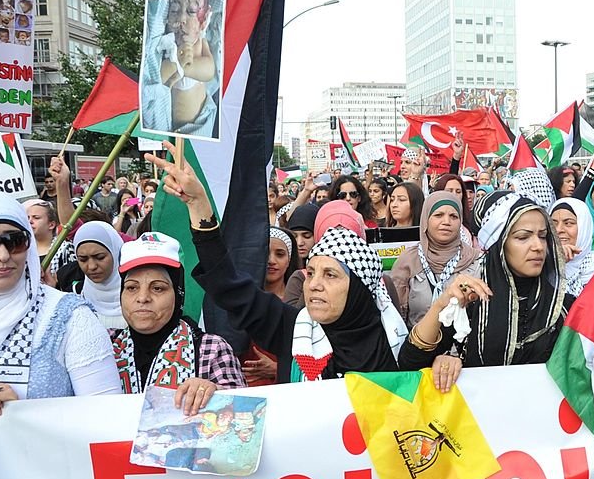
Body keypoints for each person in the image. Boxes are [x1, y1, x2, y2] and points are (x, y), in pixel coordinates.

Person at [146, 143, 403, 382]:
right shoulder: (292, 328)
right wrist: (198, 205)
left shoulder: (399, 345)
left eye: (330, 275)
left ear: (359, 287)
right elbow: (229, 287)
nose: (313, 285)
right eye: (311, 272)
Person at [399, 193, 572, 380]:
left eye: (543, 236)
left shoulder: (563, 306)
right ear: (499, 244)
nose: (538, 246)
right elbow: (409, 363)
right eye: (523, 237)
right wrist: (446, 357)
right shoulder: (473, 300)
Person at [0, 192, 121, 408]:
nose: (3, 255)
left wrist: (21, 415)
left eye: (14, 241)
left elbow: (105, 417)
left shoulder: (69, 316)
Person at [113, 233, 244, 408]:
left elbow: (242, 414)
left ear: (178, 293)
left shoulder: (211, 349)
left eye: (158, 288)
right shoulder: (104, 347)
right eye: (132, 287)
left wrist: (216, 391)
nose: (142, 298)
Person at [142, 0, 219, 139]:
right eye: (174, 10)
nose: (182, 18)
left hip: (197, 125)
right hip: (169, 129)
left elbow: (209, 70)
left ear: (205, 18)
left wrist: (187, 67)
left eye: (192, 12)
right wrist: (175, 63)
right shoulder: (167, 46)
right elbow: (156, 77)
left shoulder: (200, 43)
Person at [391, 192, 481, 327]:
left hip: (464, 345)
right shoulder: (408, 261)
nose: (446, 222)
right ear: (426, 219)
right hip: (418, 344)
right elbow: (396, 317)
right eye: (438, 215)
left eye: (453, 216)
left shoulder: (477, 260)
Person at [55, 221, 127, 331]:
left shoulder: (139, 296)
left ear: (115, 252)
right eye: (83, 259)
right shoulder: (74, 297)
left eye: (100, 257)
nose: (92, 266)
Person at [549, 197, 594, 297]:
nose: (558, 230)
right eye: (553, 224)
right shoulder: (543, 264)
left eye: (568, 223)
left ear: (584, 227)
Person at [23, 200, 76, 277]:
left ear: (51, 225)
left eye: (36, 218)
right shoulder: (23, 250)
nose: (30, 221)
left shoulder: (65, 248)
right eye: (28, 218)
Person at [265, 227, 299, 300]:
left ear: (289, 260)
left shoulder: (300, 299)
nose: (271, 261)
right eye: (265, 253)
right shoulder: (245, 298)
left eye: (280, 254)